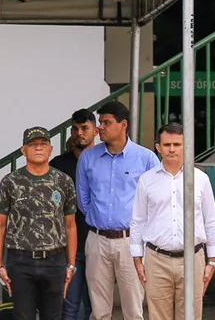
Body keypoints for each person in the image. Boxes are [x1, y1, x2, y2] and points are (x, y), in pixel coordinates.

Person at [76, 101, 159, 320]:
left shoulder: (146, 158)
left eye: (106, 122)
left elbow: (155, 202)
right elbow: (83, 202)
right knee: (99, 310)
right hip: (96, 239)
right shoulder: (88, 157)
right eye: (100, 122)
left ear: (123, 125)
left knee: (133, 308)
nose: (100, 127)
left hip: (131, 241)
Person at [130, 124, 215, 320]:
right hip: (156, 258)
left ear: (186, 146)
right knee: (158, 316)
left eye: (177, 144)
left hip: (193, 257)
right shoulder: (146, 180)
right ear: (158, 147)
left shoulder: (201, 179)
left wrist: (212, 260)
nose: (172, 149)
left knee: (191, 316)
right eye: (167, 144)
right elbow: (138, 220)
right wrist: (137, 256)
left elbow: (210, 220)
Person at [0, 126, 78, 320]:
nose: (38, 148)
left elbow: (71, 225)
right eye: (33, 144)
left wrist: (71, 265)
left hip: (54, 260)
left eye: (43, 144)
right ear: (23, 150)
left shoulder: (63, 181)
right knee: (23, 316)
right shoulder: (11, 182)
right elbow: (0, 225)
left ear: (51, 149)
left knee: (54, 316)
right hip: (21, 260)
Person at [51, 109, 98, 320]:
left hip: (98, 243)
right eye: (75, 128)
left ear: (95, 130)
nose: (79, 133)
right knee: (69, 307)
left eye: (85, 128)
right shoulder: (58, 166)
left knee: (96, 307)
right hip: (68, 246)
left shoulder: (104, 161)